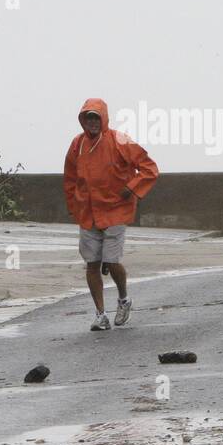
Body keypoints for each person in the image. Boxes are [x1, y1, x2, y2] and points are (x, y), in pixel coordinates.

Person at [62, 98, 159, 331]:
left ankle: (124, 299)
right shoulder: (78, 144)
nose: (92, 122)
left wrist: (132, 188)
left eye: (96, 117)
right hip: (88, 212)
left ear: (104, 118)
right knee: (92, 263)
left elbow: (149, 168)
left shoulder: (119, 139)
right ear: (82, 120)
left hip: (115, 210)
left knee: (112, 261)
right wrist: (74, 206)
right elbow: (70, 179)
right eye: (88, 117)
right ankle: (100, 314)